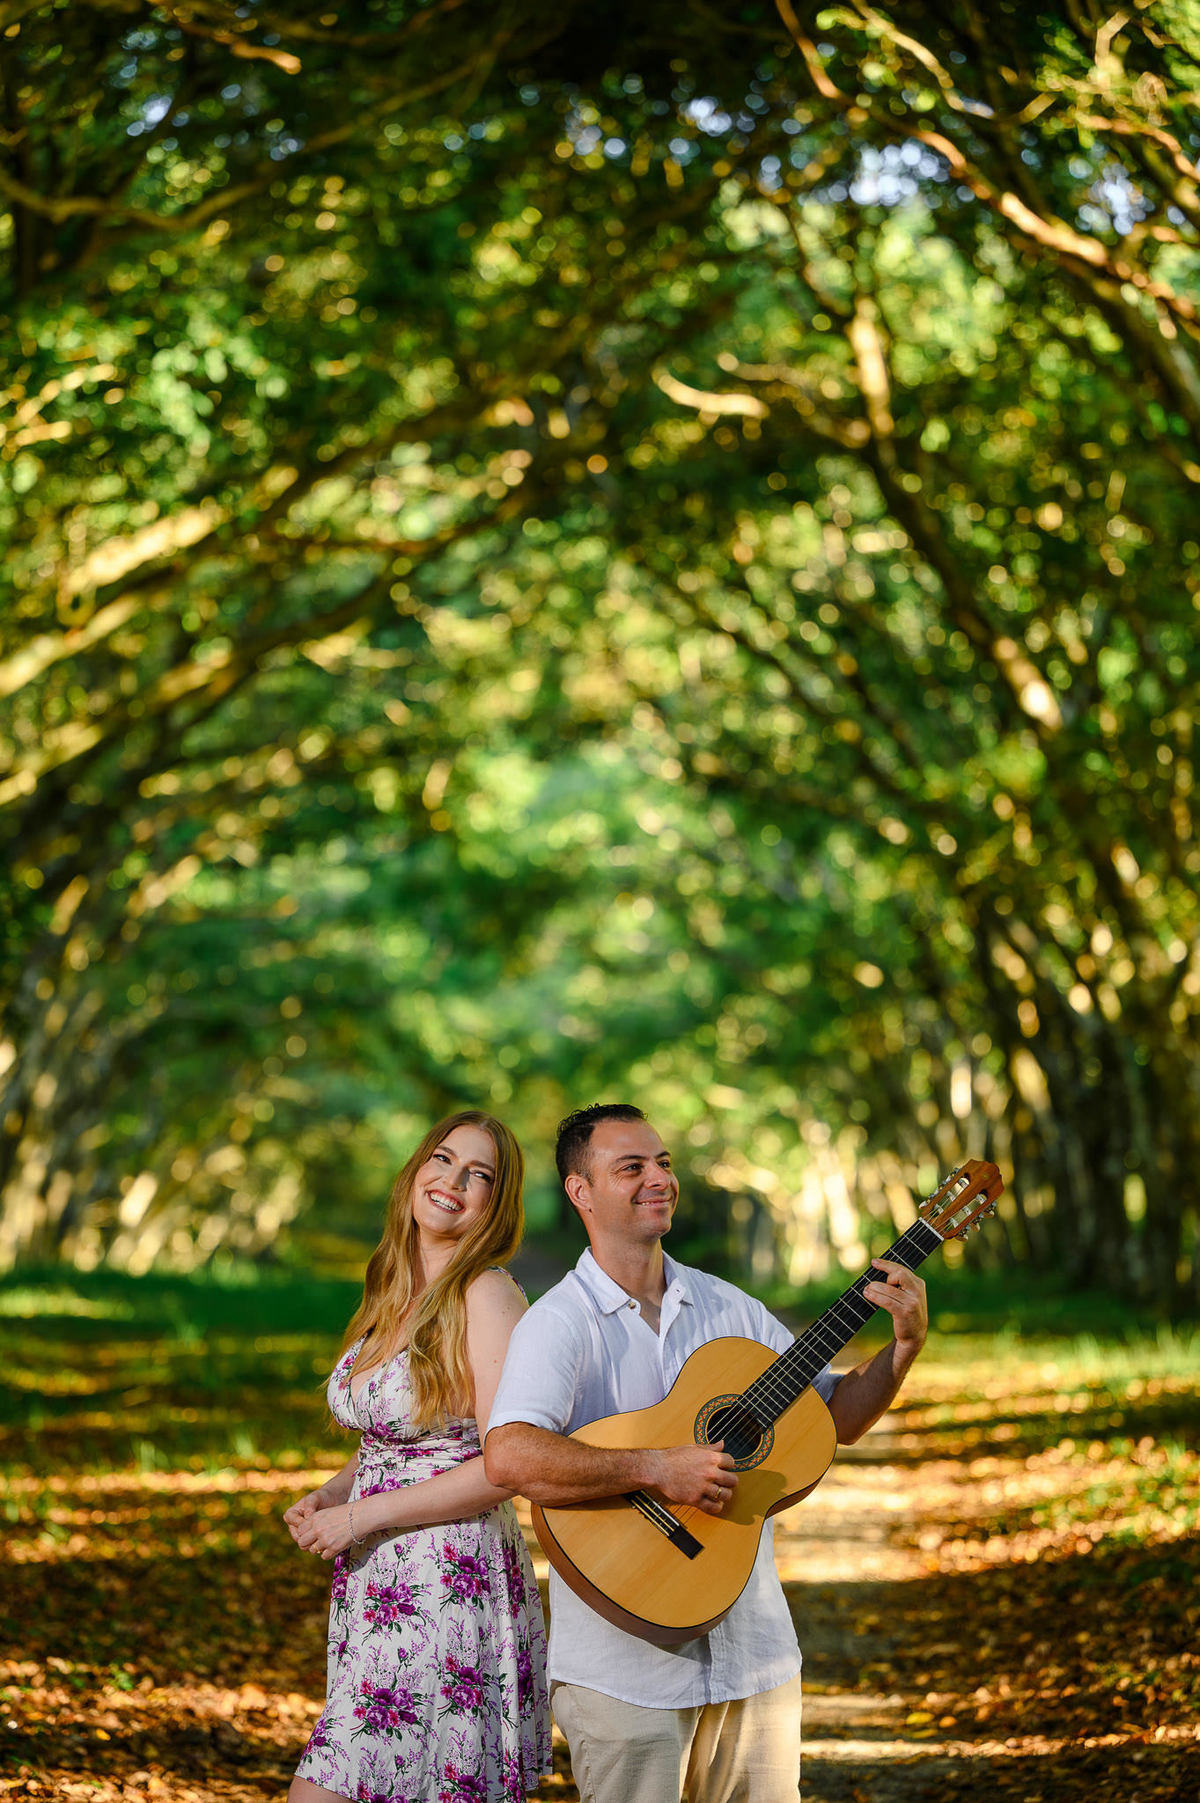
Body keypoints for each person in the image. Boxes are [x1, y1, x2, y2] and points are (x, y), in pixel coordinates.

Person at [484, 1103, 929, 1803]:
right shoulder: (558, 1324)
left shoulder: (732, 1309)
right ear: (581, 1191)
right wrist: (657, 1466)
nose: (658, 1177)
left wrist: (901, 1350)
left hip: (756, 1659)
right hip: (624, 1676)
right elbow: (510, 1456)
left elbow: (833, 1416)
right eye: (631, 1166)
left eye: (662, 1162)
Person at [284, 1108, 552, 1803]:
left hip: (448, 1579)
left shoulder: (487, 1294)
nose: (452, 1180)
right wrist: (337, 1493)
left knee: (325, 1791)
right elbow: (395, 1436)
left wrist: (361, 1516)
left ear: (497, 1203)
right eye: (442, 1158)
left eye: (479, 1174)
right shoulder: (394, 1288)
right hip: (379, 1580)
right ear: (416, 1170)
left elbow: (503, 1465)